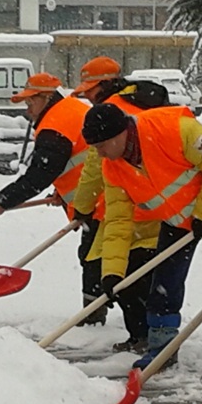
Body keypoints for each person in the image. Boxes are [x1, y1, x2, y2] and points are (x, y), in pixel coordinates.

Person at [81, 103, 202, 373]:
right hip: (177, 219)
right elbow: (118, 221)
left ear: (119, 135)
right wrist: (113, 273)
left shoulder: (176, 129)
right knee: (165, 282)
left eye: (100, 145)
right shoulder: (113, 167)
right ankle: (162, 348)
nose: (98, 152)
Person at [0, 73, 103, 324]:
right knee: (99, 258)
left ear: (46, 97)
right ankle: (99, 312)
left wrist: (4, 201)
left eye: (30, 103)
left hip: (100, 203)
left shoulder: (55, 125)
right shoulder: (71, 109)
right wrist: (64, 192)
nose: (28, 112)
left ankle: (94, 317)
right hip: (101, 197)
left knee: (94, 258)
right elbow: (76, 158)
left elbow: (40, 174)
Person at [70, 56, 169, 353]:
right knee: (146, 275)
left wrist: (82, 206)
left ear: (107, 85)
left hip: (130, 206)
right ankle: (152, 334)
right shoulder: (142, 103)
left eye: (90, 88)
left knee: (115, 271)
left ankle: (142, 336)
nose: (86, 95)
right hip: (161, 206)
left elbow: (93, 168)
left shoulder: (111, 114)